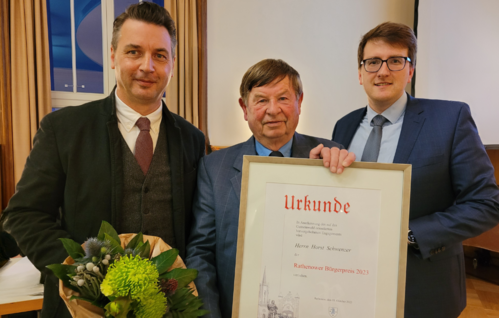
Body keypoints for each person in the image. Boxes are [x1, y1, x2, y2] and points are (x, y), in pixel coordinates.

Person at [1, 2, 205, 317]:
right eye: (134, 52)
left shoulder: (192, 139)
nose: (147, 66)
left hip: (166, 308)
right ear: (112, 56)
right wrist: (82, 274)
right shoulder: (63, 128)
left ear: (173, 63)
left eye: (159, 55)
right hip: (79, 309)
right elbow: (24, 215)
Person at [330, 22, 499, 318]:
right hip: (352, 285)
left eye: (395, 61)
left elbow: (486, 204)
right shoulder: (342, 126)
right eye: (372, 62)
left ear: (410, 71)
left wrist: (409, 234)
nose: (382, 71)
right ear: (360, 74)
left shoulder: (450, 118)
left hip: (424, 288)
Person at [185, 58, 354, 318]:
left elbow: (347, 243)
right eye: (262, 100)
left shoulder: (330, 157)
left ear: (299, 101)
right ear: (245, 108)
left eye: (283, 99)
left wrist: (340, 178)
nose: (273, 110)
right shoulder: (213, 168)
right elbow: (201, 253)